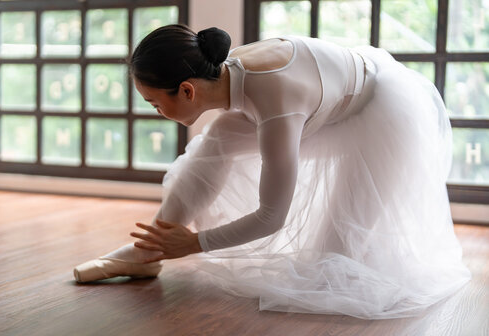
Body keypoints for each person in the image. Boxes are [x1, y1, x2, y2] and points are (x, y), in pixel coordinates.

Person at [73, 24, 471, 319]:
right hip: (318, 97)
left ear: (188, 91)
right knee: (212, 146)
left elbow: (272, 216)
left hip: (378, 110)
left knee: (334, 267)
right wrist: (174, 243)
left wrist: (194, 243)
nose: (156, 112)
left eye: (154, 103)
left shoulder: (275, 104)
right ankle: (148, 253)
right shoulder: (225, 72)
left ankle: (163, 248)